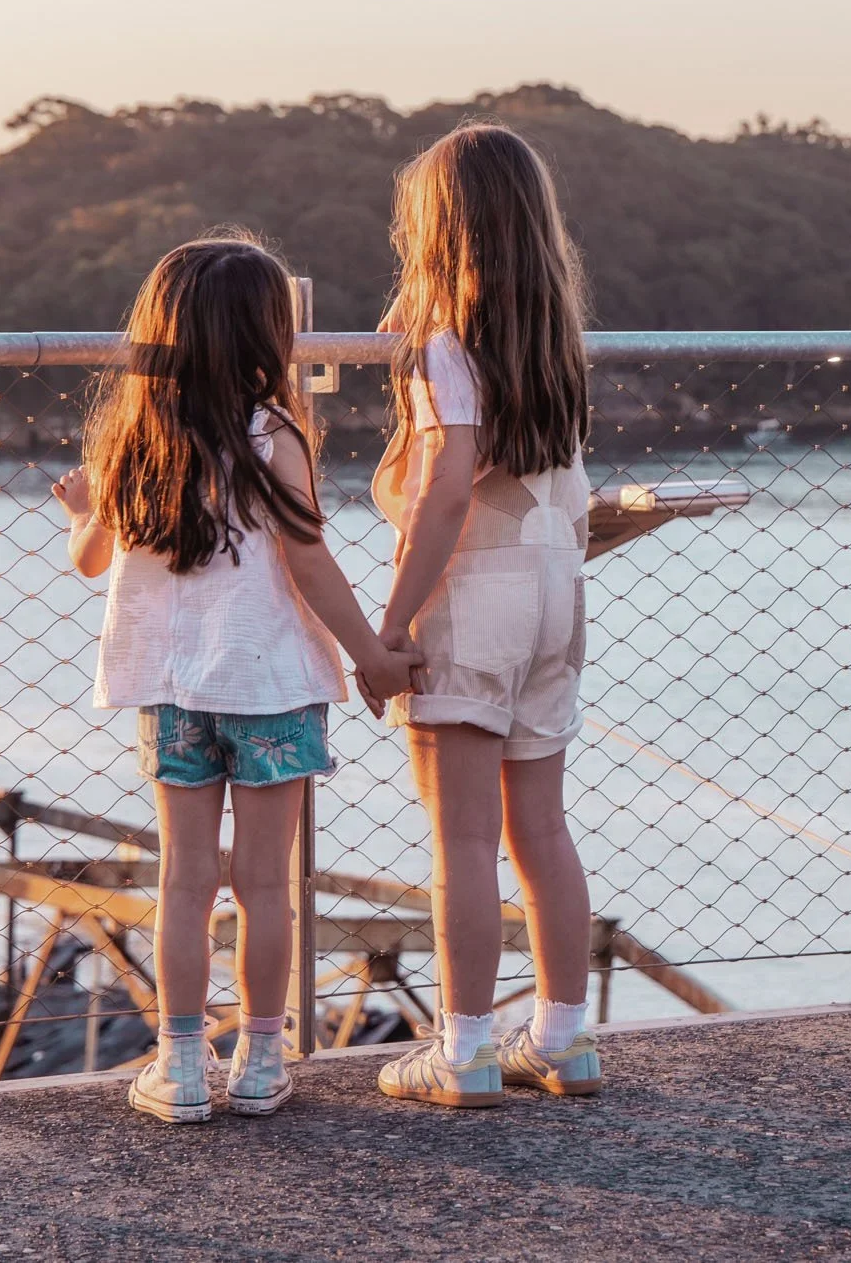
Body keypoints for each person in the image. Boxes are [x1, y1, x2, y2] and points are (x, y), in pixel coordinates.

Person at [54, 233, 421, 1124]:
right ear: (264, 334)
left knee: (184, 880)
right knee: (265, 885)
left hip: (174, 689)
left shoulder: (134, 434)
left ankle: (179, 1065)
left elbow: (92, 562)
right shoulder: (274, 432)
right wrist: (372, 652)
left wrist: (83, 509)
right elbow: (308, 561)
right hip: (269, 685)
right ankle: (260, 1058)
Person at [371, 122, 604, 1107]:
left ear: (441, 226)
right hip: (560, 593)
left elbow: (447, 492)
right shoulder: (558, 345)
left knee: (460, 838)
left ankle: (462, 1045)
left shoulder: (444, 346)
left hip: (476, 596)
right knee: (540, 828)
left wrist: (390, 625)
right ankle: (561, 1035)